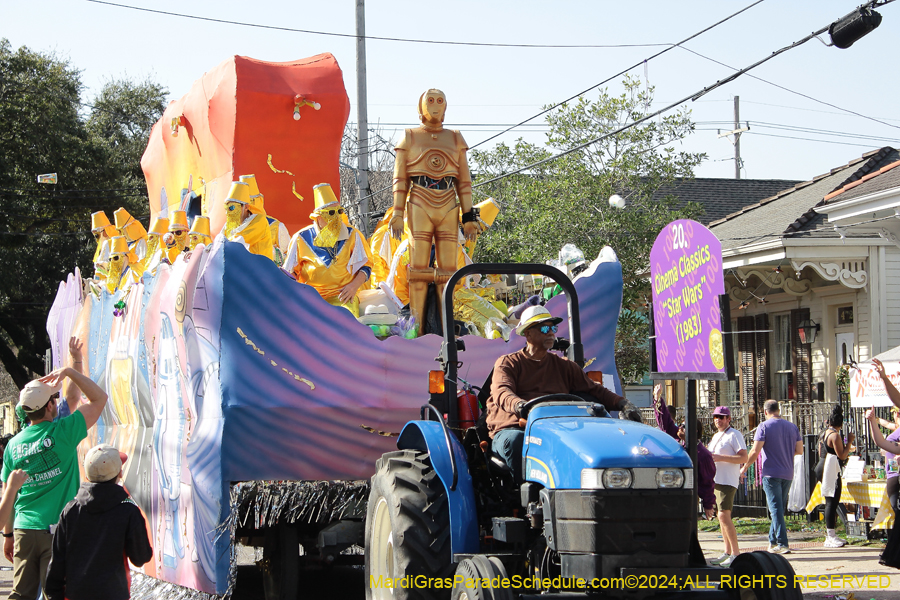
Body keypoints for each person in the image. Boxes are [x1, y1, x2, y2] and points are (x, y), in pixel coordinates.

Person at [486, 305, 640, 479]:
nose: (551, 333)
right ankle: (522, 498)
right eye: (544, 328)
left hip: (555, 430)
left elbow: (595, 390)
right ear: (527, 334)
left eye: (553, 328)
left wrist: (623, 404)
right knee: (517, 442)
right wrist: (519, 405)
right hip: (515, 428)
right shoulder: (508, 363)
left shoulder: (565, 366)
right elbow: (502, 391)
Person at [1, 366, 108, 600]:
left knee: (20, 594)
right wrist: (69, 372)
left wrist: (9, 535)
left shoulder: (12, 446)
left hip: (24, 529)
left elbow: (10, 494)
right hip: (57, 531)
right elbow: (100, 398)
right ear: (49, 406)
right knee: (55, 594)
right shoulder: (64, 433)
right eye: (53, 398)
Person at [390, 89, 480, 333]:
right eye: (430, 100)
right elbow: (400, 180)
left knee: (449, 271)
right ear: (421, 106)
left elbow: (464, 181)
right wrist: (397, 214)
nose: (435, 105)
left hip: (449, 202)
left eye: (440, 100)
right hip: (419, 201)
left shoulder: (455, 138)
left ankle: (446, 331)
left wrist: (469, 217)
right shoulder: (409, 137)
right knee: (418, 269)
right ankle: (416, 329)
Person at [44, 444, 152, 600]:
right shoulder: (128, 512)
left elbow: (57, 561)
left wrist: (54, 594)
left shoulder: (71, 510)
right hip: (114, 593)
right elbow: (140, 557)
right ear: (120, 473)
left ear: (87, 476)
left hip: (75, 594)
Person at [284, 183, 374, 317]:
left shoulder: (352, 235)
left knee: (346, 321)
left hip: (343, 296)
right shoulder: (300, 238)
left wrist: (353, 286)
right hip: (311, 299)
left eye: (339, 211)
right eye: (330, 213)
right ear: (318, 217)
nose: (336, 218)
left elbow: (366, 266)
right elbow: (288, 273)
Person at [740, 399, 802, 554]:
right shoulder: (792, 427)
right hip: (787, 472)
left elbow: (754, 451)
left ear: (765, 412)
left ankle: (782, 543)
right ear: (778, 410)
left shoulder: (764, 426)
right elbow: (799, 450)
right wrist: (785, 453)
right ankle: (772, 540)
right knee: (778, 508)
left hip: (770, 472)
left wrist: (745, 467)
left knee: (775, 509)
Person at [652, 385, 716, 522]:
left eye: (684, 426)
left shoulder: (703, 454)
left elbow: (707, 482)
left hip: (688, 496)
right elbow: (666, 424)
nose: (680, 427)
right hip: (672, 491)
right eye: (680, 424)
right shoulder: (678, 441)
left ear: (695, 431)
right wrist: (658, 400)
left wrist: (708, 504)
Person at [708, 405, 748, 566]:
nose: (718, 420)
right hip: (716, 480)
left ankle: (736, 554)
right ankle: (727, 551)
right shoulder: (716, 436)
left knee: (724, 515)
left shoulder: (734, 435)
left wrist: (720, 457)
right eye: (716, 417)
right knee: (720, 516)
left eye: (722, 417)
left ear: (728, 419)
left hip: (727, 481)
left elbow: (743, 457)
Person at [814, 405, 854, 548]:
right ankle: (830, 536)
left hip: (822, 466)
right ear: (840, 424)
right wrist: (849, 442)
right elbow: (842, 455)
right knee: (832, 501)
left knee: (830, 501)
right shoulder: (835, 435)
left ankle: (832, 534)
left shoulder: (823, 434)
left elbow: (820, 452)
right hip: (830, 469)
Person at [222, 181, 274, 261]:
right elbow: (220, 241)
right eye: (227, 208)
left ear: (246, 207)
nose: (228, 213)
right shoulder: (228, 226)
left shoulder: (259, 220)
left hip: (260, 269)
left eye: (232, 208)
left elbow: (239, 240)